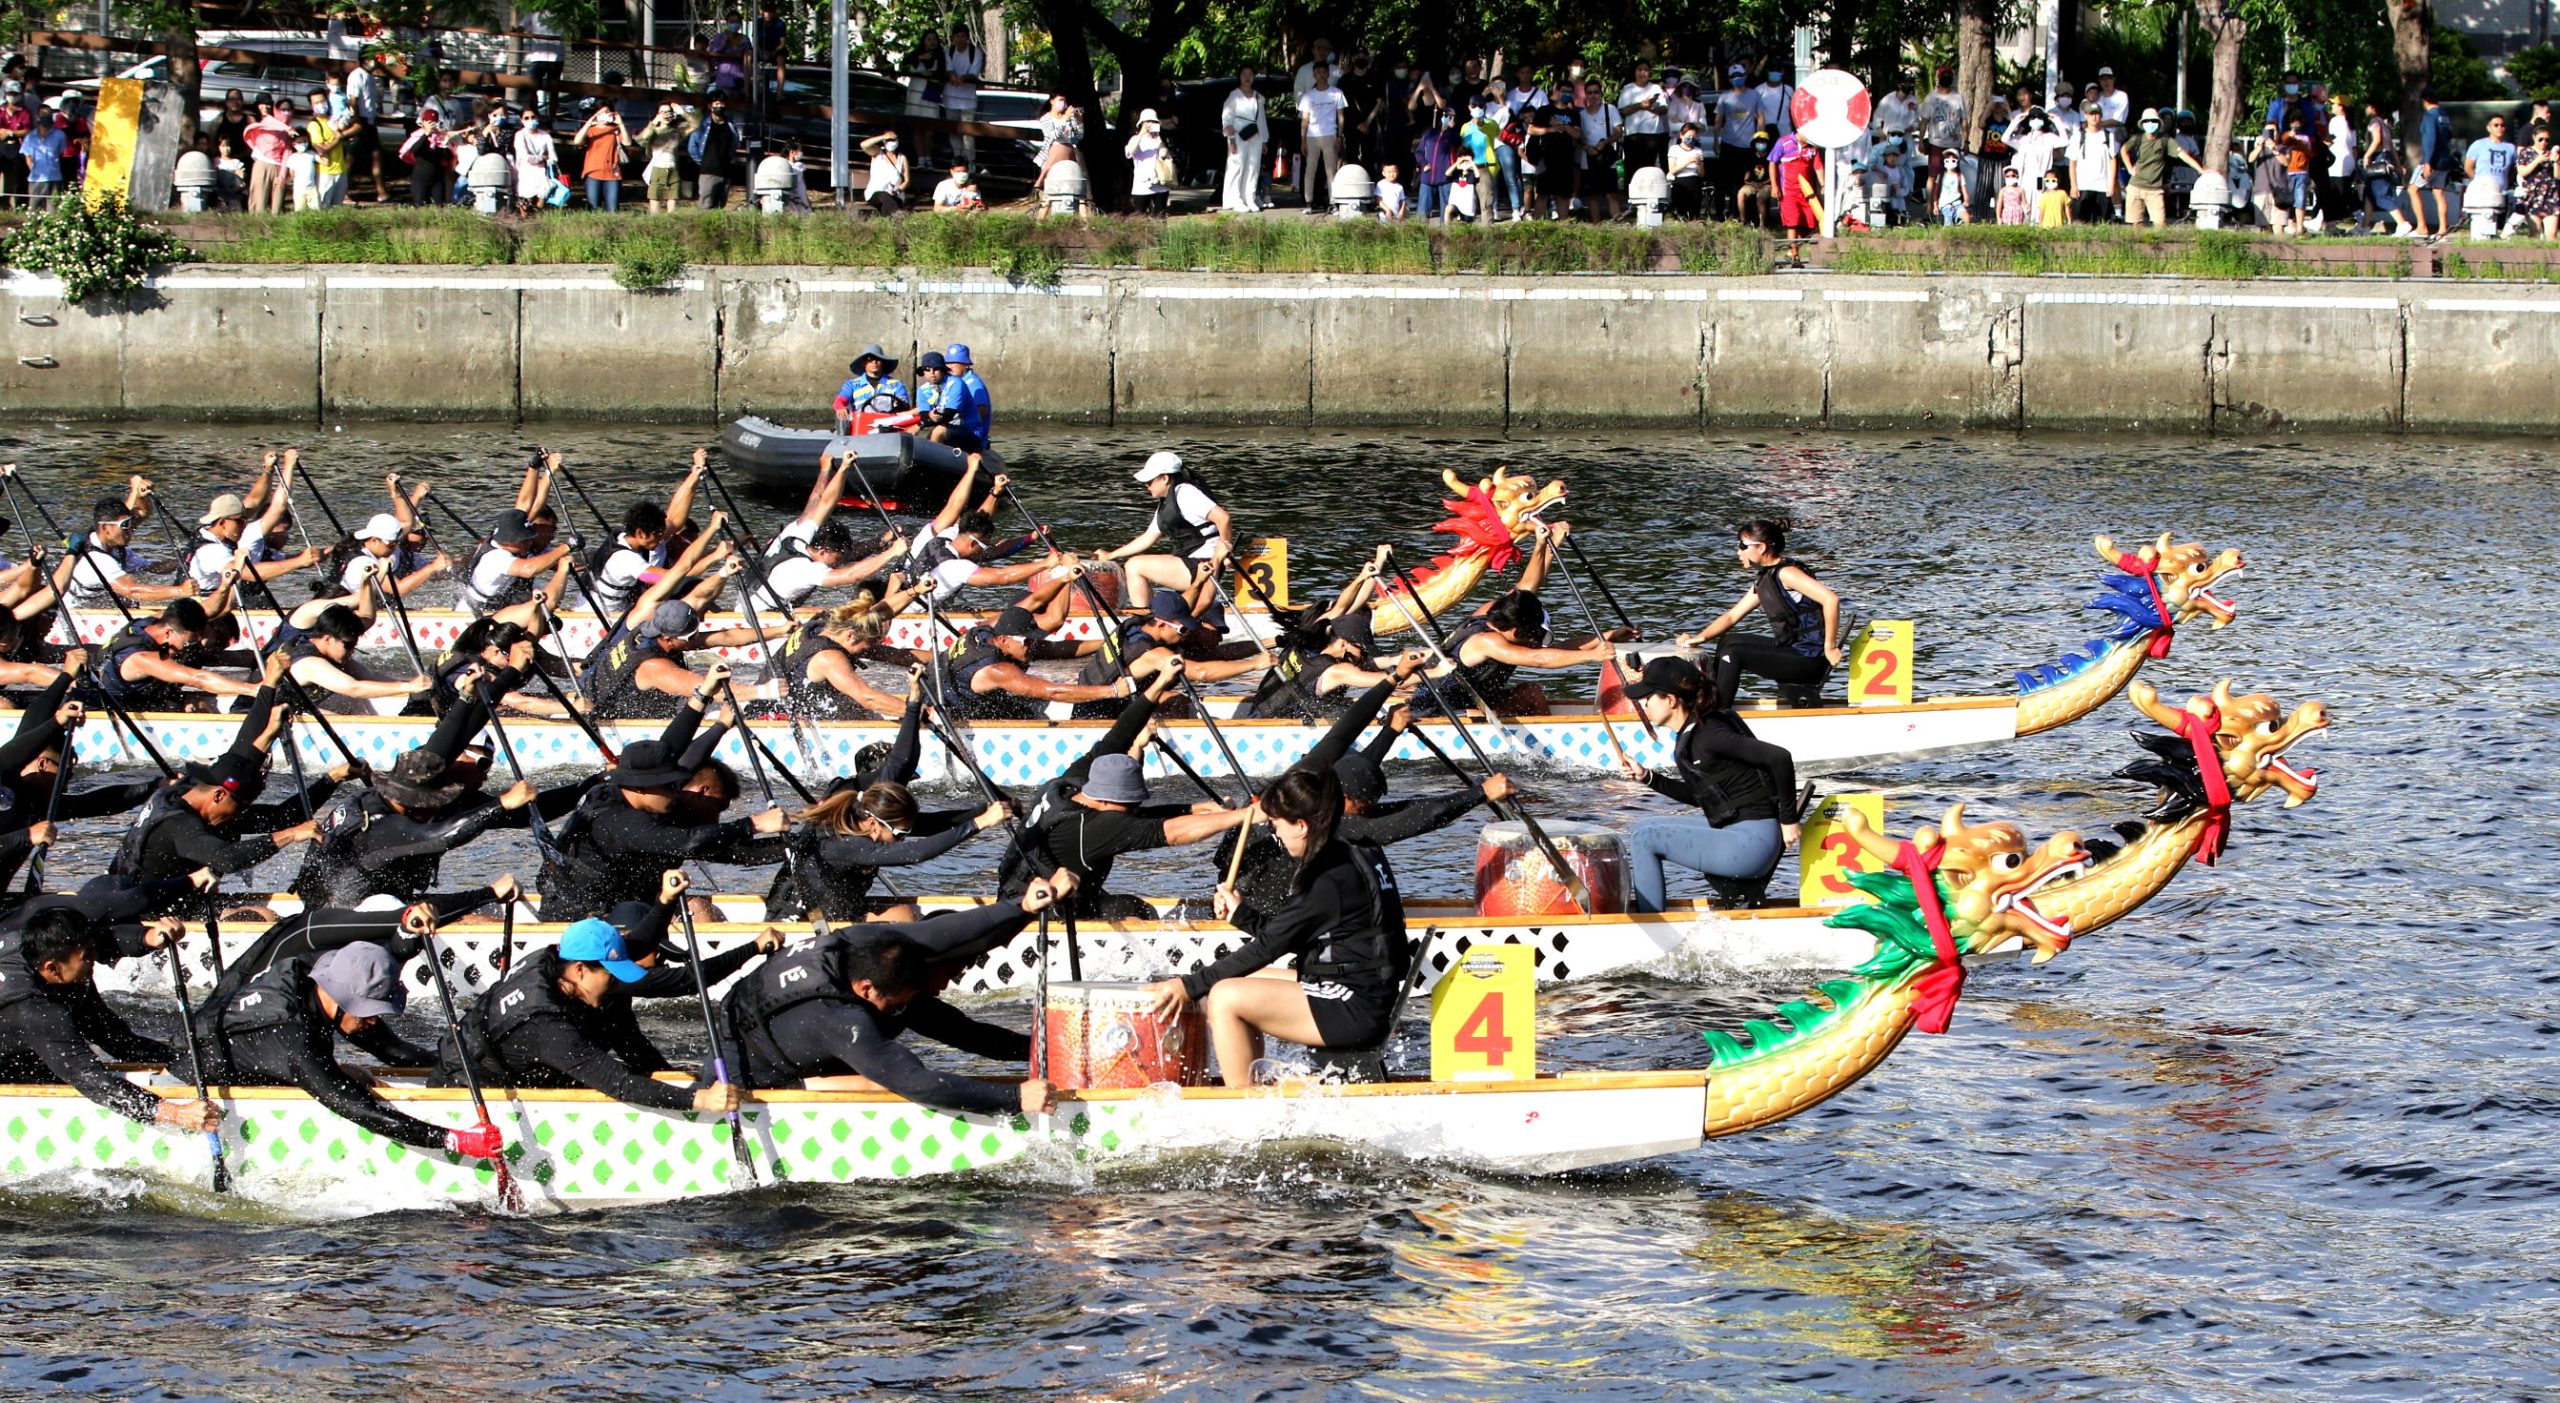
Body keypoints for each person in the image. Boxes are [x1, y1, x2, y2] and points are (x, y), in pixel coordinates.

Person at [1143, 765, 1409, 1086]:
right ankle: (1252, 1080)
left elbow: (1268, 948)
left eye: (1276, 825)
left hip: (1356, 1007)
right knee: (1231, 980)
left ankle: (1244, 1105)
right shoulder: (1355, 850)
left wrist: (1186, 986)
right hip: (1363, 989)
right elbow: (1294, 935)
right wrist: (1242, 915)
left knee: (1224, 996)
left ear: (1300, 825)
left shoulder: (1327, 879)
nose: (1276, 834)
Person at [718, 888, 1068, 1115]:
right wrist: (1015, 1099)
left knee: (892, 1059)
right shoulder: (841, 1019)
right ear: (867, 989)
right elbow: (917, 1082)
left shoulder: (863, 955)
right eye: (896, 1004)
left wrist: (1055, 1051)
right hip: (750, 1084)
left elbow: (966, 1034)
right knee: (881, 1080)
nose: (945, 985)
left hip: (778, 1037)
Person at [195, 932, 504, 1163]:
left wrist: (456, 1062)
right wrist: (452, 1139)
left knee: (348, 1072)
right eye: (370, 1013)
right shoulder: (295, 1038)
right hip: (205, 1080)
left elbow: (391, 1050)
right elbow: (361, 1111)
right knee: (348, 1084)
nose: (374, 1022)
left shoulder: (320, 978)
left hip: (270, 1058)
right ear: (343, 1000)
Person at [998, 678, 1252, 918]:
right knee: (1133, 911)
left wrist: (1160, 684)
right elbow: (1170, 832)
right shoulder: (1092, 828)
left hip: (1023, 893)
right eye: (1129, 805)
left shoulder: (1071, 784)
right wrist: (1243, 816)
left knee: (1123, 903)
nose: (1134, 811)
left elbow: (1118, 735)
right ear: (1105, 801)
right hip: (1037, 915)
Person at [437, 914, 741, 1114]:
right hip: (467, 1091)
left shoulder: (554, 960)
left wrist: (665, 901)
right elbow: (618, 1082)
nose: (615, 983)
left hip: (511, 1066)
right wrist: (699, 1100)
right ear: (580, 970)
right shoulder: (546, 1024)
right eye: (610, 975)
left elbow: (630, 1044)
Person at [541, 698, 787, 919]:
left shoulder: (653, 802)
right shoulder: (617, 819)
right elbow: (687, 842)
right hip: (581, 919)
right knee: (698, 910)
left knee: (702, 909)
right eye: (669, 786)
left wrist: (801, 842)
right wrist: (753, 824)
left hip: (626, 906)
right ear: (641, 786)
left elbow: (673, 749)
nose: (675, 790)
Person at [0, 901, 220, 1138]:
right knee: (70, 1069)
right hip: (12, 1057)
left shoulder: (42, 942)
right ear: (52, 969)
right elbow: (90, 1079)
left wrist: (150, 936)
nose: (96, 960)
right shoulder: (33, 1010)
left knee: (119, 1040)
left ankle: (209, 1066)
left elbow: (105, 938)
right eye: (87, 957)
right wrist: (174, 1113)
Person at [1613, 654, 1799, 911]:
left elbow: (1779, 758)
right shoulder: (1694, 733)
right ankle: (1648, 911)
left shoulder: (1710, 734)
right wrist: (1647, 777)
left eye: (1648, 698)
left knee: (1647, 838)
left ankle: (1651, 921)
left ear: (1670, 700)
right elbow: (1701, 796)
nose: (1644, 705)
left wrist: (1789, 820)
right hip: (1737, 834)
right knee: (1643, 826)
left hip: (1752, 844)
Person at [1675, 518, 1842, 704]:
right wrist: (1699, 638)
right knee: (1729, 641)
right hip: (1793, 650)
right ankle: (1709, 701)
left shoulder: (1787, 573)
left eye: (1742, 546)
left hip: (1809, 658)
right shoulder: (1766, 578)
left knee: (1735, 652)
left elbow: (1831, 599)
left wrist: (1830, 647)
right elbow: (1732, 616)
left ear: (1761, 547)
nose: (1738, 552)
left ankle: (1718, 715)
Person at [583, 604, 784, 722]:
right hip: (613, 722)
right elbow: (708, 689)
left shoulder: (651, 631)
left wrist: (779, 631)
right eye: (691, 636)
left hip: (607, 695)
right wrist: (764, 692)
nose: (695, 638)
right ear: (669, 638)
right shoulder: (655, 667)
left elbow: (725, 636)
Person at [1102, 451, 1232, 601]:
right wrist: (1111, 555)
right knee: (1137, 563)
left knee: (1135, 565)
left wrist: (1223, 555)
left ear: (1164, 478)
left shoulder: (1185, 493)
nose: (1146, 486)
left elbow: (1223, 518)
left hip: (1204, 564)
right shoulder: (1167, 501)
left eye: (1149, 481)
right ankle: (1153, 613)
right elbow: (1148, 538)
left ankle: (1145, 620)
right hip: (1189, 560)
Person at [286, 603, 431, 714]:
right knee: (344, 707)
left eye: (354, 646)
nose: (351, 652)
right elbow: (353, 688)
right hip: (277, 718)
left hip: (302, 710)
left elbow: (369, 677)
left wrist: (420, 686)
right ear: (327, 639)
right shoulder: (310, 664)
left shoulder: (331, 652)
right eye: (348, 646)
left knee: (353, 704)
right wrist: (408, 687)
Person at [2119, 108, 2203, 228]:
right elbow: (2123, 150)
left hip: (2155, 190)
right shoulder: (2137, 139)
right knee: (2136, 225)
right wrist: (2129, 167)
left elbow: (2184, 156)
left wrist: (2201, 170)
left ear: (2158, 123)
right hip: (2135, 187)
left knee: (2160, 225)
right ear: (2142, 124)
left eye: (2153, 121)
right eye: (2147, 121)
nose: (2150, 124)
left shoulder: (2166, 141)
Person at [1300, 63, 1348, 213]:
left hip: (1330, 134)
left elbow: (1341, 117)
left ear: (1328, 74)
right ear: (1314, 75)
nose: (1321, 75)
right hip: (1312, 136)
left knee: (1331, 170)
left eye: (1323, 72)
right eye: (1318, 72)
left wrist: (1340, 136)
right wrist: (1303, 140)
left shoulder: (1337, 93)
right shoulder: (1308, 96)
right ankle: (1309, 202)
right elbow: (1305, 120)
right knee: (1310, 170)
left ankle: (1333, 202)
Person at [1221, 66, 1268, 214]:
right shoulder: (1234, 96)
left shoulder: (1258, 97)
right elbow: (1227, 118)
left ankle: (1249, 197)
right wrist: (1231, 139)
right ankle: (1234, 199)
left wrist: (1264, 139)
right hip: (1238, 134)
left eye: (1250, 74)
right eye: (1244, 75)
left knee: (1253, 167)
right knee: (1237, 167)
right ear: (1239, 77)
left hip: (1255, 136)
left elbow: (1261, 119)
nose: (1247, 78)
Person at [2465, 114, 2520, 232]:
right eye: (2496, 125)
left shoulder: (2510, 148)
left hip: (2502, 192)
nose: (2499, 128)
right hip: (2483, 192)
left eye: (2502, 125)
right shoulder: (2478, 145)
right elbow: (2468, 167)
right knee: (2483, 224)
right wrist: (2479, 182)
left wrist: (2508, 182)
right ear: (2489, 128)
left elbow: (2514, 169)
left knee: (2500, 226)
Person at [2412, 88, 2454, 238]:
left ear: (2424, 100)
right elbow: (2448, 136)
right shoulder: (2444, 116)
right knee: (2439, 192)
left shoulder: (2429, 116)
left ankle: (2421, 226)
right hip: (2444, 160)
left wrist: (2427, 162)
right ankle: (2443, 228)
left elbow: (2430, 139)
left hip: (2432, 160)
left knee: (2412, 189)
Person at [833, 345, 908, 427]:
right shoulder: (852, 385)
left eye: (878, 359)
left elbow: (904, 405)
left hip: (889, 427)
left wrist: (900, 404)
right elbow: (840, 400)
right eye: (870, 359)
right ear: (863, 363)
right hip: (860, 426)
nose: (874, 362)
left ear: (882, 362)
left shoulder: (897, 384)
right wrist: (840, 407)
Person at [574, 104, 628, 211]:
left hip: (613, 174)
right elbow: (577, 141)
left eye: (607, 112)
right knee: (593, 208)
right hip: (593, 173)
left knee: (613, 208)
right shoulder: (591, 130)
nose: (604, 115)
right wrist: (589, 122)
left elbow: (627, 142)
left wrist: (621, 124)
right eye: (601, 113)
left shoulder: (615, 129)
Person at [693, 96, 742, 209]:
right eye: (716, 103)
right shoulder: (704, 125)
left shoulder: (730, 124)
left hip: (725, 173)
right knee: (705, 207)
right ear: (710, 106)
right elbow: (692, 147)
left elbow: (734, 144)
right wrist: (703, 162)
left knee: (720, 207)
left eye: (721, 104)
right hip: (707, 173)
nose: (719, 106)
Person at [2066, 112, 2116, 223]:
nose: (2094, 117)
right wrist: (2073, 185)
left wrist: (2111, 183)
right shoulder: (2078, 136)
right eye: (2091, 114)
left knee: (2104, 223)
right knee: (2079, 223)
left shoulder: (2109, 136)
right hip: (2083, 185)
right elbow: (2072, 162)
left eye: (2097, 114)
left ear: (2101, 116)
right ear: (2086, 116)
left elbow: (2113, 159)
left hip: (2103, 186)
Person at [1126, 109, 1173, 216]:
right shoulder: (1135, 139)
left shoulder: (1158, 140)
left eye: (1154, 122)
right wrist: (1142, 133)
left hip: (1160, 184)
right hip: (1141, 185)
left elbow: (1164, 154)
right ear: (1142, 123)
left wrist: (1159, 140)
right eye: (1148, 121)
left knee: (1160, 215)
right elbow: (1131, 152)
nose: (1151, 124)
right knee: (1139, 216)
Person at [2517, 126, 2560, 240]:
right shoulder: (2526, 152)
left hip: (2550, 195)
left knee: (2552, 234)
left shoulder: (2552, 153)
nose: (2544, 142)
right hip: (2532, 195)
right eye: (2540, 139)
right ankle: (2535, 256)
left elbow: (2557, 176)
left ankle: (2552, 256)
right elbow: (2522, 172)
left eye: (2547, 140)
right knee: (2535, 232)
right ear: (2534, 137)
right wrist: (2537, 160)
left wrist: (2556, 161)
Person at [860, 130, 910, 214]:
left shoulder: (902, 158)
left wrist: (898, 190)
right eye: (888, 140)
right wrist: (883, 136)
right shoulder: (878, 152)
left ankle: (891, 223)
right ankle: (899, 216)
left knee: (886, 208)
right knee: (884, 195)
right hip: (875, 193)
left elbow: (907, 180)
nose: (891, 142)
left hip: (895, 194)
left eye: (893, 139)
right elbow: (863, 145)